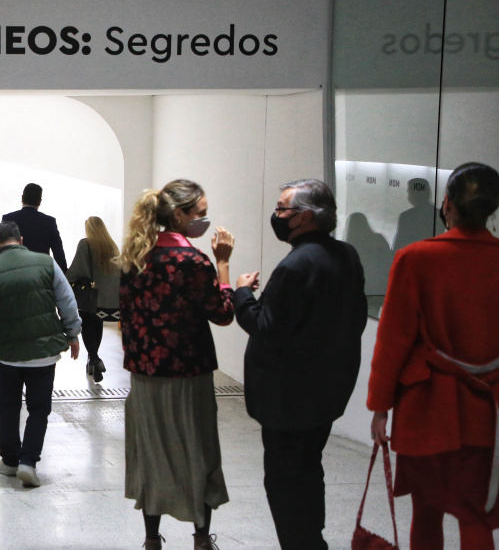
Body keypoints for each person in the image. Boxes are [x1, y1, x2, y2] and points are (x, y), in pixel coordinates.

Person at [368, 162, 499, 549]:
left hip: (426, 405)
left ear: (448, 204)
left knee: (427, 511)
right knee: (475, 514)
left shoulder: (416, 258)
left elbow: (393, 340)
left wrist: (380, 408)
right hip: (489, 409)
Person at [233, 179, 366, 550]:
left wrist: (242, 292)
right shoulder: (347, 255)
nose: (276, 216)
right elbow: (353, 320)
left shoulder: (296, 264)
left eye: (281, 209)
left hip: (287, 401)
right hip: (326, 393)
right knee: (308, 471)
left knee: (285, 482)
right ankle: (313, 541)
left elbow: (264, 326)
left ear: (305, 216)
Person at [119, 180, 236, 550]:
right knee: (198, 452)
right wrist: (225, 266)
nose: (205, 220)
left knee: (151, 453)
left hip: (145, 375)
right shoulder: (195, 262)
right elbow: (222, 313)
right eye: (200, 214)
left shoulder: (136, 258)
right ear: (180, 215)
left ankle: (152, 539)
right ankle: (201, 539)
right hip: (189, 373)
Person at [0, 221, 81, 487]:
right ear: (20, 240)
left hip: (7, 353)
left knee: (8, 406)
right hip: (44, 353)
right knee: (39, 408)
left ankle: (9, 461)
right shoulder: (46, 263)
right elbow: (66, 301)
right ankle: (28, 462)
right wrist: (73, 333)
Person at [66, 216, 120, 383]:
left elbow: (78, 269)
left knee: (87, 326)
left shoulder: (86, 243)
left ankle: (95, 358)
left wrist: (65, 279)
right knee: (97, 325)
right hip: (107, 297)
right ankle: (92, 361)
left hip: (90, 296)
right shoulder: (112, 246)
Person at [2, 183, 68, 271]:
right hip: (40, 276)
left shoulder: (8, 219)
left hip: (13, 273)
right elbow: (59, 256)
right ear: (40, 201)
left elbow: (2, 250)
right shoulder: (49, 222)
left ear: (22, 198)